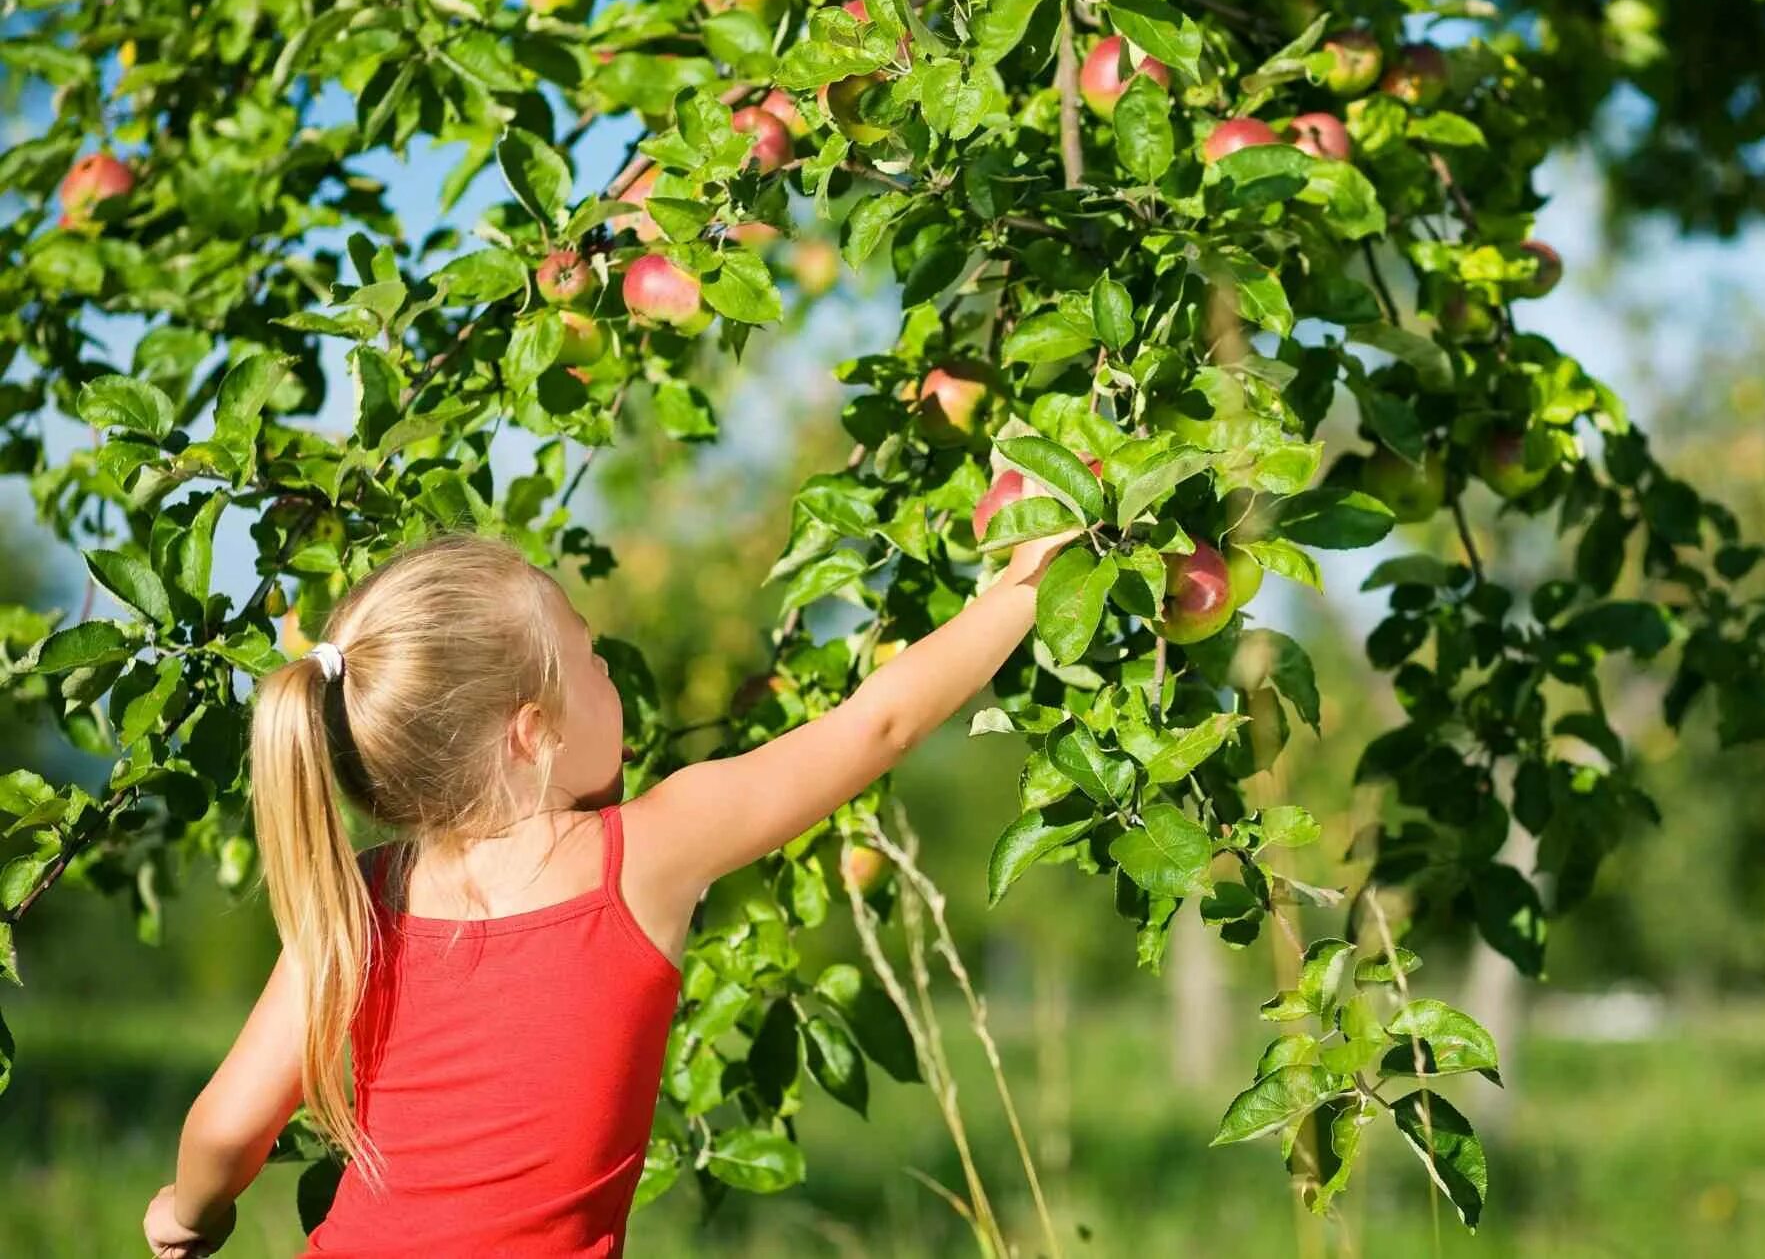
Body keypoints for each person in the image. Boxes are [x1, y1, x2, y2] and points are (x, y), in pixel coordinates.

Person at [143, 526, 1075, 1258]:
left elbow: (226, 1129)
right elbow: (879, 725)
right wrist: (1029, 581)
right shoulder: (646, 854)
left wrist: (188, 1212)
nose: (609, 677)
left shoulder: (360, 899)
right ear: (532, 732)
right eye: (590, 660)